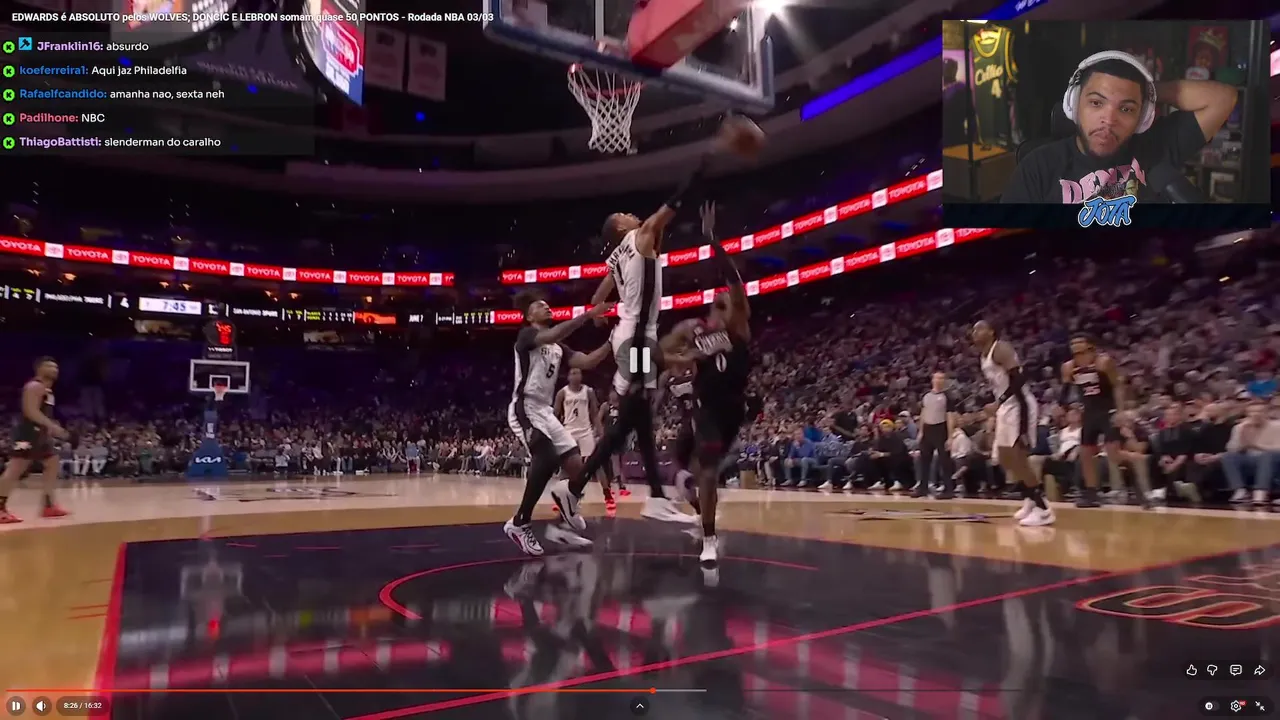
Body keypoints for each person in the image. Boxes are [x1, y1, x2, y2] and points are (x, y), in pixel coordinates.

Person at [553, 117, 763, 530]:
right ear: (621, 228)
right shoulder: (640, 236)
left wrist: (599, 313)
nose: (633, 214)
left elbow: (597, 298)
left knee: (639, 412)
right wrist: (710, 156)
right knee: (635, 412)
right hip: (636, 339)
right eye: (625, 215)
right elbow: (676, 201)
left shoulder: (615, 257)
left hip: (629, 336)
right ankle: (580, 489)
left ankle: (648, 495)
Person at [1000, 51, 1237, 203]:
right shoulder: (1038, 167)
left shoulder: (1154, 149)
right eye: (1096, 103)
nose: (1109, 119)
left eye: (1126, 108)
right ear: (1074, 103)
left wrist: (1148, 92)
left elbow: (1223, 98)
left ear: (1143, 117)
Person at [658, 202, 752, 565]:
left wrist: (714, 241)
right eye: (720, 303)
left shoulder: (739, 327)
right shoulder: (692, 332)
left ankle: (697, 496)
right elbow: (655, 353)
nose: (726, 303)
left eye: (729, 302)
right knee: (708, 469)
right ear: (713, 310)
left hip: (734, 407)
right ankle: (708, 537)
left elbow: (735, 281)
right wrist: (677, 360)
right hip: (706, 407)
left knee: (708, 470)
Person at [503, 295, 614, 556]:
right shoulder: (527, 336)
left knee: (577, 467)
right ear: (529, 316)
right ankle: (519, 523)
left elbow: (586, 361)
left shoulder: (558, 347)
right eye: (539, 305)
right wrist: (588, 315)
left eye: (547, 304)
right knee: (546, 457)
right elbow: (552, 334)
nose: (546, 306)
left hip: (545, 411)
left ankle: (564, 519)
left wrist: (612, 341)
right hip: (526, 406)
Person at [972, 321, 1054, 526]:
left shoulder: (1001, 349)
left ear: (991, 331)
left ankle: (1044, 509)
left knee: (1019, 456)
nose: (975, 332)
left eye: (980, 329)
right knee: (1005, 458)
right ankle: (1030, 498)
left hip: (1020, 406)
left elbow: (1019, 379)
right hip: (1005, 408)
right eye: (973, 330)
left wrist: (999, 402)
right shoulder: (983, 356)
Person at [1060, 333, 1128, 508]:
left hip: (1107, 410)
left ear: (1091, 347)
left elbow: (1118, 386)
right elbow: (1065, 390)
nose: (1077, 352)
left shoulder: (1104, 362)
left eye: (1080, 347)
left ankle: (1139, 471)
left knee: (1113, 454)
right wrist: (1063, 406)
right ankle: (1091, 493)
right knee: (1085, 453)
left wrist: (1120, 411)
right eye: (1074, 347)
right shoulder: (1068, 367)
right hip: (1089, 413)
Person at [0, 357, 71, 523]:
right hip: (27, 433)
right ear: (39, 369)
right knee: (16, 468)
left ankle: (48, 505)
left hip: (40, 433)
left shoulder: (47, 390)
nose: (54, 369)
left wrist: (49, 428)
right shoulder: (34, 386)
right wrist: (52, 426)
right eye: (49, 366)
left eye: (56, 367)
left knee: (52, 461)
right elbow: (30, 411)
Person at [554, 368, 614, 512]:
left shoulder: (588, 391)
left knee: (596, 463)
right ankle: (562, 497)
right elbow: (555, 415)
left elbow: (594, 414)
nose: (576, 375)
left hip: (585, 431)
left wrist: (601, 433)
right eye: (573, 373)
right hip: (568, 430)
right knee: (566, 466)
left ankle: (608, 495)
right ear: (568, 377)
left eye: (578, 373)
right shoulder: (562, 393)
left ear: (582, 376)